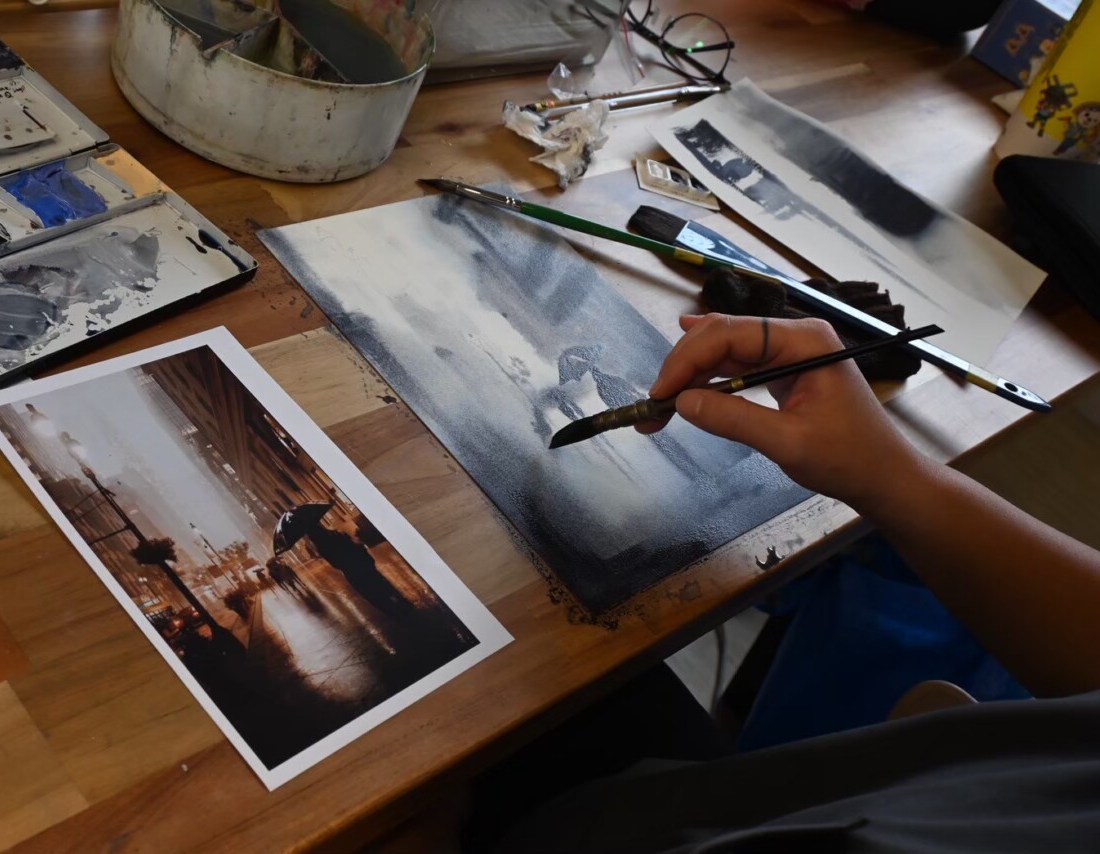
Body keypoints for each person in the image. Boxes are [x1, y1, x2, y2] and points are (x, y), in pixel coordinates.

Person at [471, 315, 1100, 853]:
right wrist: (891, 474)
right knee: (552, 672)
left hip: (688, 827)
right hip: (759, 795)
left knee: (511, 692)